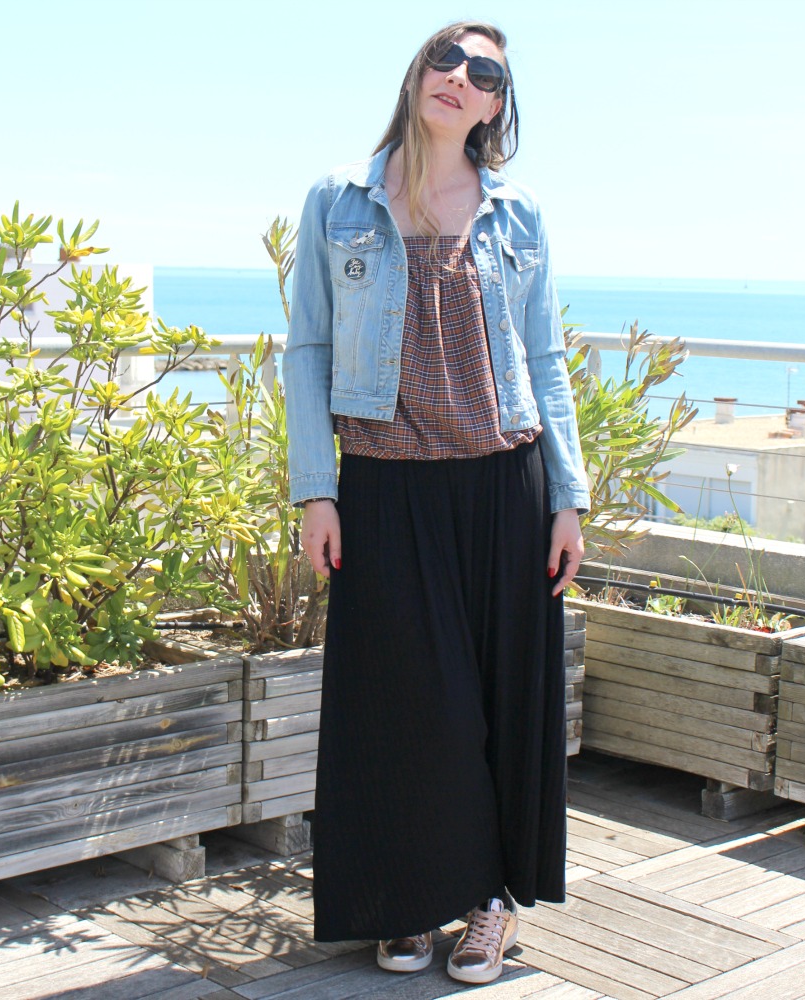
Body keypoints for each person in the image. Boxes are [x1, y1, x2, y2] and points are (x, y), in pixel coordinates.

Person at [283, 19, 590, 986]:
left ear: (497, 104)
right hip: (386, 484)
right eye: (445, 58)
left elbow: (545, 358)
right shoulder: (340, 201)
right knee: (406, 706)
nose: (460, 77)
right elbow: (308, 350)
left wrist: (569, 499)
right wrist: (317, 489)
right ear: (418, 75)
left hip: (505, 483)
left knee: (499, 699)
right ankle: (406, 899)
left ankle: (490, 903)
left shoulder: (518, 214)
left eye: (484, 71)